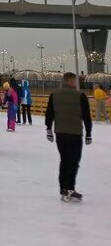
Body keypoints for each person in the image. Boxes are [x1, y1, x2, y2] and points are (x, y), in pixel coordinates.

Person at [45, 72, 92, 202]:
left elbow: (49, 113)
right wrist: (89, 133)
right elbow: (86, 116)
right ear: (71, 81)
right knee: (73, 161)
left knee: (64, 160)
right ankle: (70, 188)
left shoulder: (54, 95)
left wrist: (48, 129)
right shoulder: (80, 96)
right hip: (75, 133)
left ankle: (63, 189)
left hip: (60, 133)